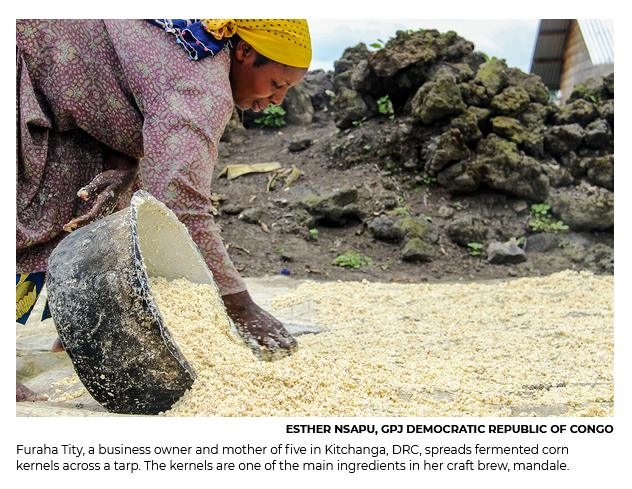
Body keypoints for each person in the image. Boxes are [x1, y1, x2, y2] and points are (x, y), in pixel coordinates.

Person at [16, 19, 311, 401]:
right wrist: (240, 305)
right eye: (276, 84)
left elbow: (118, 78)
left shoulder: (194, 48)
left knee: (82, 202)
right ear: (244, 52)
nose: (277, 100)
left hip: (53, 97)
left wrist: (122, 163)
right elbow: (181, 204)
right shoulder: (202, 86)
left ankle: (84, 324)